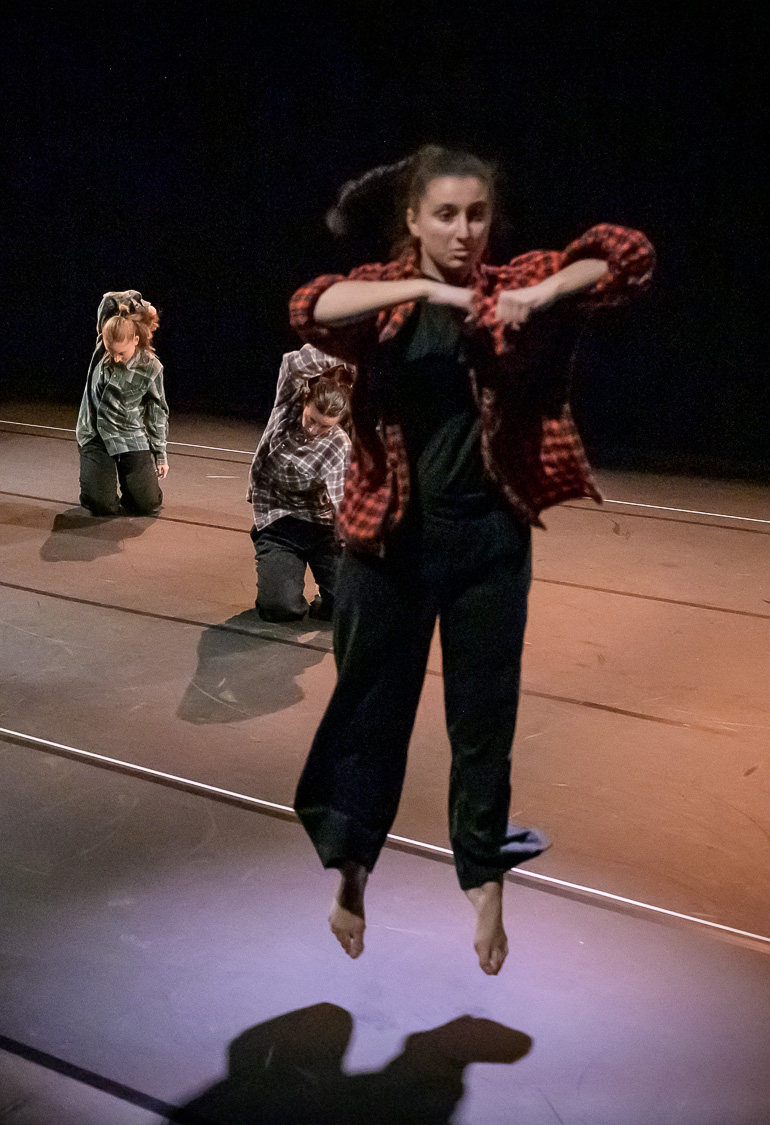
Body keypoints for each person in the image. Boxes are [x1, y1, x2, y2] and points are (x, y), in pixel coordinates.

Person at [288, 144, 654, 975]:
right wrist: (424, 289)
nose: (462, 231)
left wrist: (542, 293)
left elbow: (626, 256)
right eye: (445, 215)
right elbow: (310, 307)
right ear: (413, 221)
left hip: (487, 544)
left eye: (476, 215)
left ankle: (483, 879)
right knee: (370, 714)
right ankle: (351, 870)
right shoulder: (384, 299)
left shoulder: (511, 282)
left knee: (483, 720)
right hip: (387, 545)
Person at [248, 345, 353, 622]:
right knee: (280, 609)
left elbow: (341, 500)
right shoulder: (287, 409)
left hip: (321, 527)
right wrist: (350, 356)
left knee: (347, 608)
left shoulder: (339, 444)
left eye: (325, 426)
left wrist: (348, 544)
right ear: (306, 402)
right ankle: (282, 578)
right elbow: (294, 365)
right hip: (279, 522)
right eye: (312, 419)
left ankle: (328, 597)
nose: (313, 430)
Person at [76, 291, 167, 515]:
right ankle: (97, 485)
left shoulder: (151, 367)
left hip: (130, 435)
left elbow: (157, 413)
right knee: (100, 504)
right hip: (96, 435)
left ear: (135, 340)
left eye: (121, 353)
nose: (115, 358)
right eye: (111, 352)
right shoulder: (102, 351)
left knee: (146, 504)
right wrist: (139, 305)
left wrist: (160, 454)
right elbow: (109, 299)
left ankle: (134, 485)